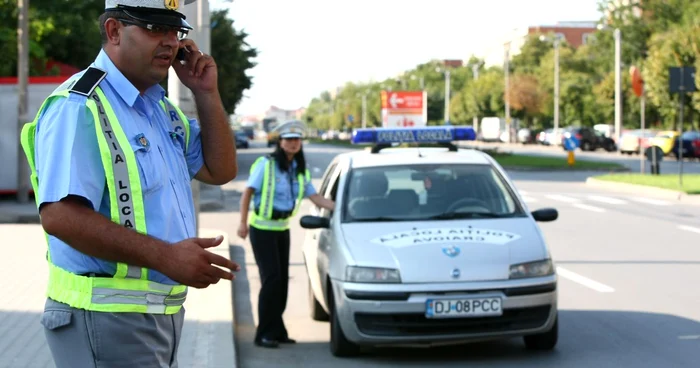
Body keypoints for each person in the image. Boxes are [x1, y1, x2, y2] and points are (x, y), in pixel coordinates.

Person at [19, 1, 241, 366]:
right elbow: (60, 216)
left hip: (152, 317)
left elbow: (220, 170)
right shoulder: (80, 106)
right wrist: (167, 256)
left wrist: (206, 93)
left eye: (175, 31)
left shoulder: (159, 109)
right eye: (155, 28)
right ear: (113, 31)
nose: (170, 42)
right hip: (103, 316)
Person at [237, 120, 335, 348]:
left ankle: (277, 330)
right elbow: (247, 193)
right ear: (280, 142)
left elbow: (316, 198)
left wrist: (343, 207)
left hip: (282, 230)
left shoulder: (298, 170)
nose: (293, 143)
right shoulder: (267, 164)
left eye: (297, 140)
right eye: (289, 140)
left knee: (281, 283)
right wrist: (242, 223)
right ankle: (263, 333)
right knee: (271, 281)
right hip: (261, 230)